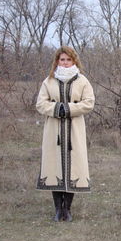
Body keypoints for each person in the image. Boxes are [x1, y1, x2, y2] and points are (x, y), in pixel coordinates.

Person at [36, 46, 95, 222]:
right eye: (62, 59)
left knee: (73, 168)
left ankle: (67, 210)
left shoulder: (82, 81)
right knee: (55, 168)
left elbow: (89, 103)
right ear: (57, 61)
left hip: (74, 130)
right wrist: (56, 108)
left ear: (74, 61)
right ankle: (57, 210)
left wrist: (69, 108)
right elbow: (40, 104)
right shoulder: (49, 81)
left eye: (68, 59)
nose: (65, 62)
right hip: (53, 131)